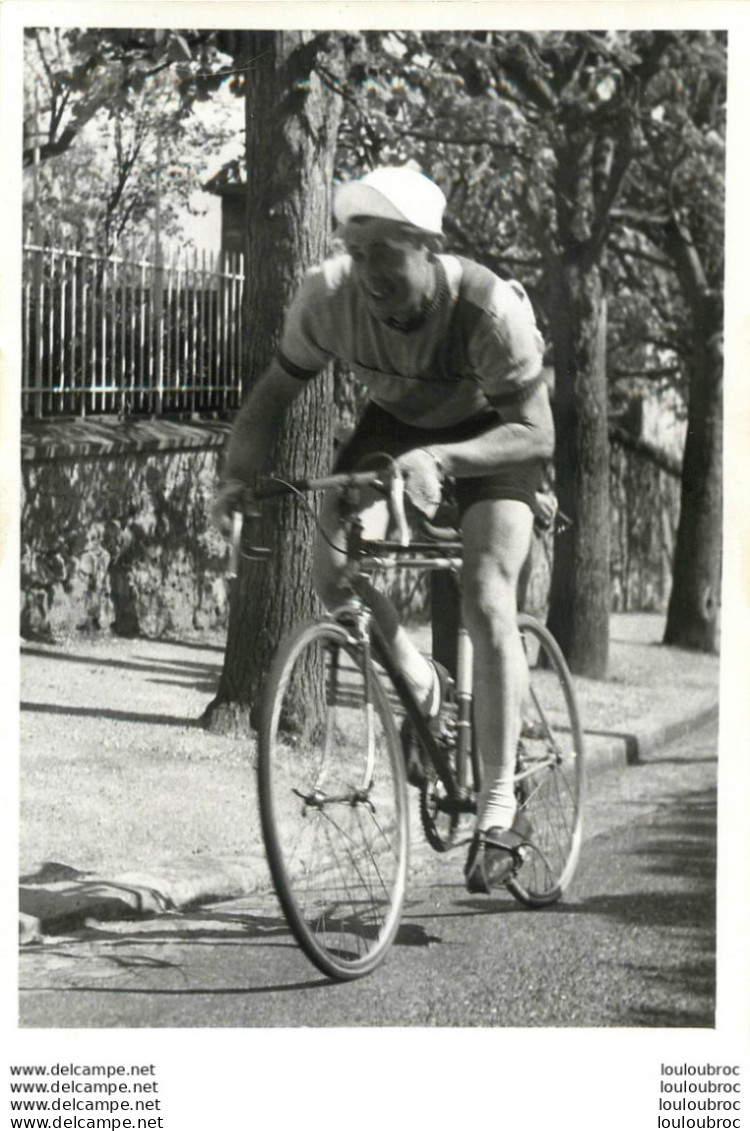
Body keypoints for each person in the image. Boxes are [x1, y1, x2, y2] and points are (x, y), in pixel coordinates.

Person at [212, 166, 555, 893]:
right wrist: (234, 480)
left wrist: (446, 457)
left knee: (488, 592)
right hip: (396, 425)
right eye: (356, 251)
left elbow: (537, 433)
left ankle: (498, 804)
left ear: (428, 247)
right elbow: (270, 399)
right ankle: (424, 685)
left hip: (494, 435)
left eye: (385, 253)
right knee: (330, 569)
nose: (367, 271)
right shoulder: (328, 296)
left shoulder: (489, 308)